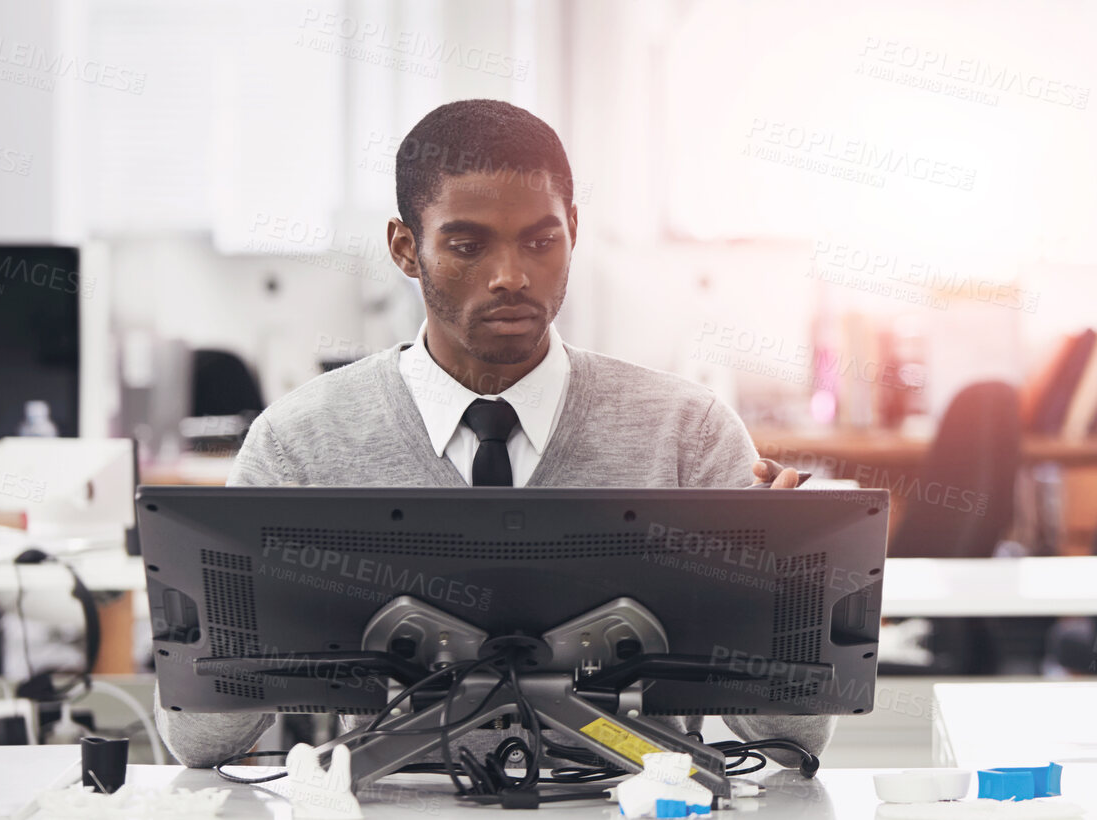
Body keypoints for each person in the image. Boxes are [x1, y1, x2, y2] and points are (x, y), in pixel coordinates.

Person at [155, 99, 819, 769]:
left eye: (540, 240)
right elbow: (200, 744)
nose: (511, 276)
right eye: (468, 246)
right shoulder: (301, 443)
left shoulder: (688, 432)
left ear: (573, 231)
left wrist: (789, 595)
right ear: (405, 248)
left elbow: (792, 744)